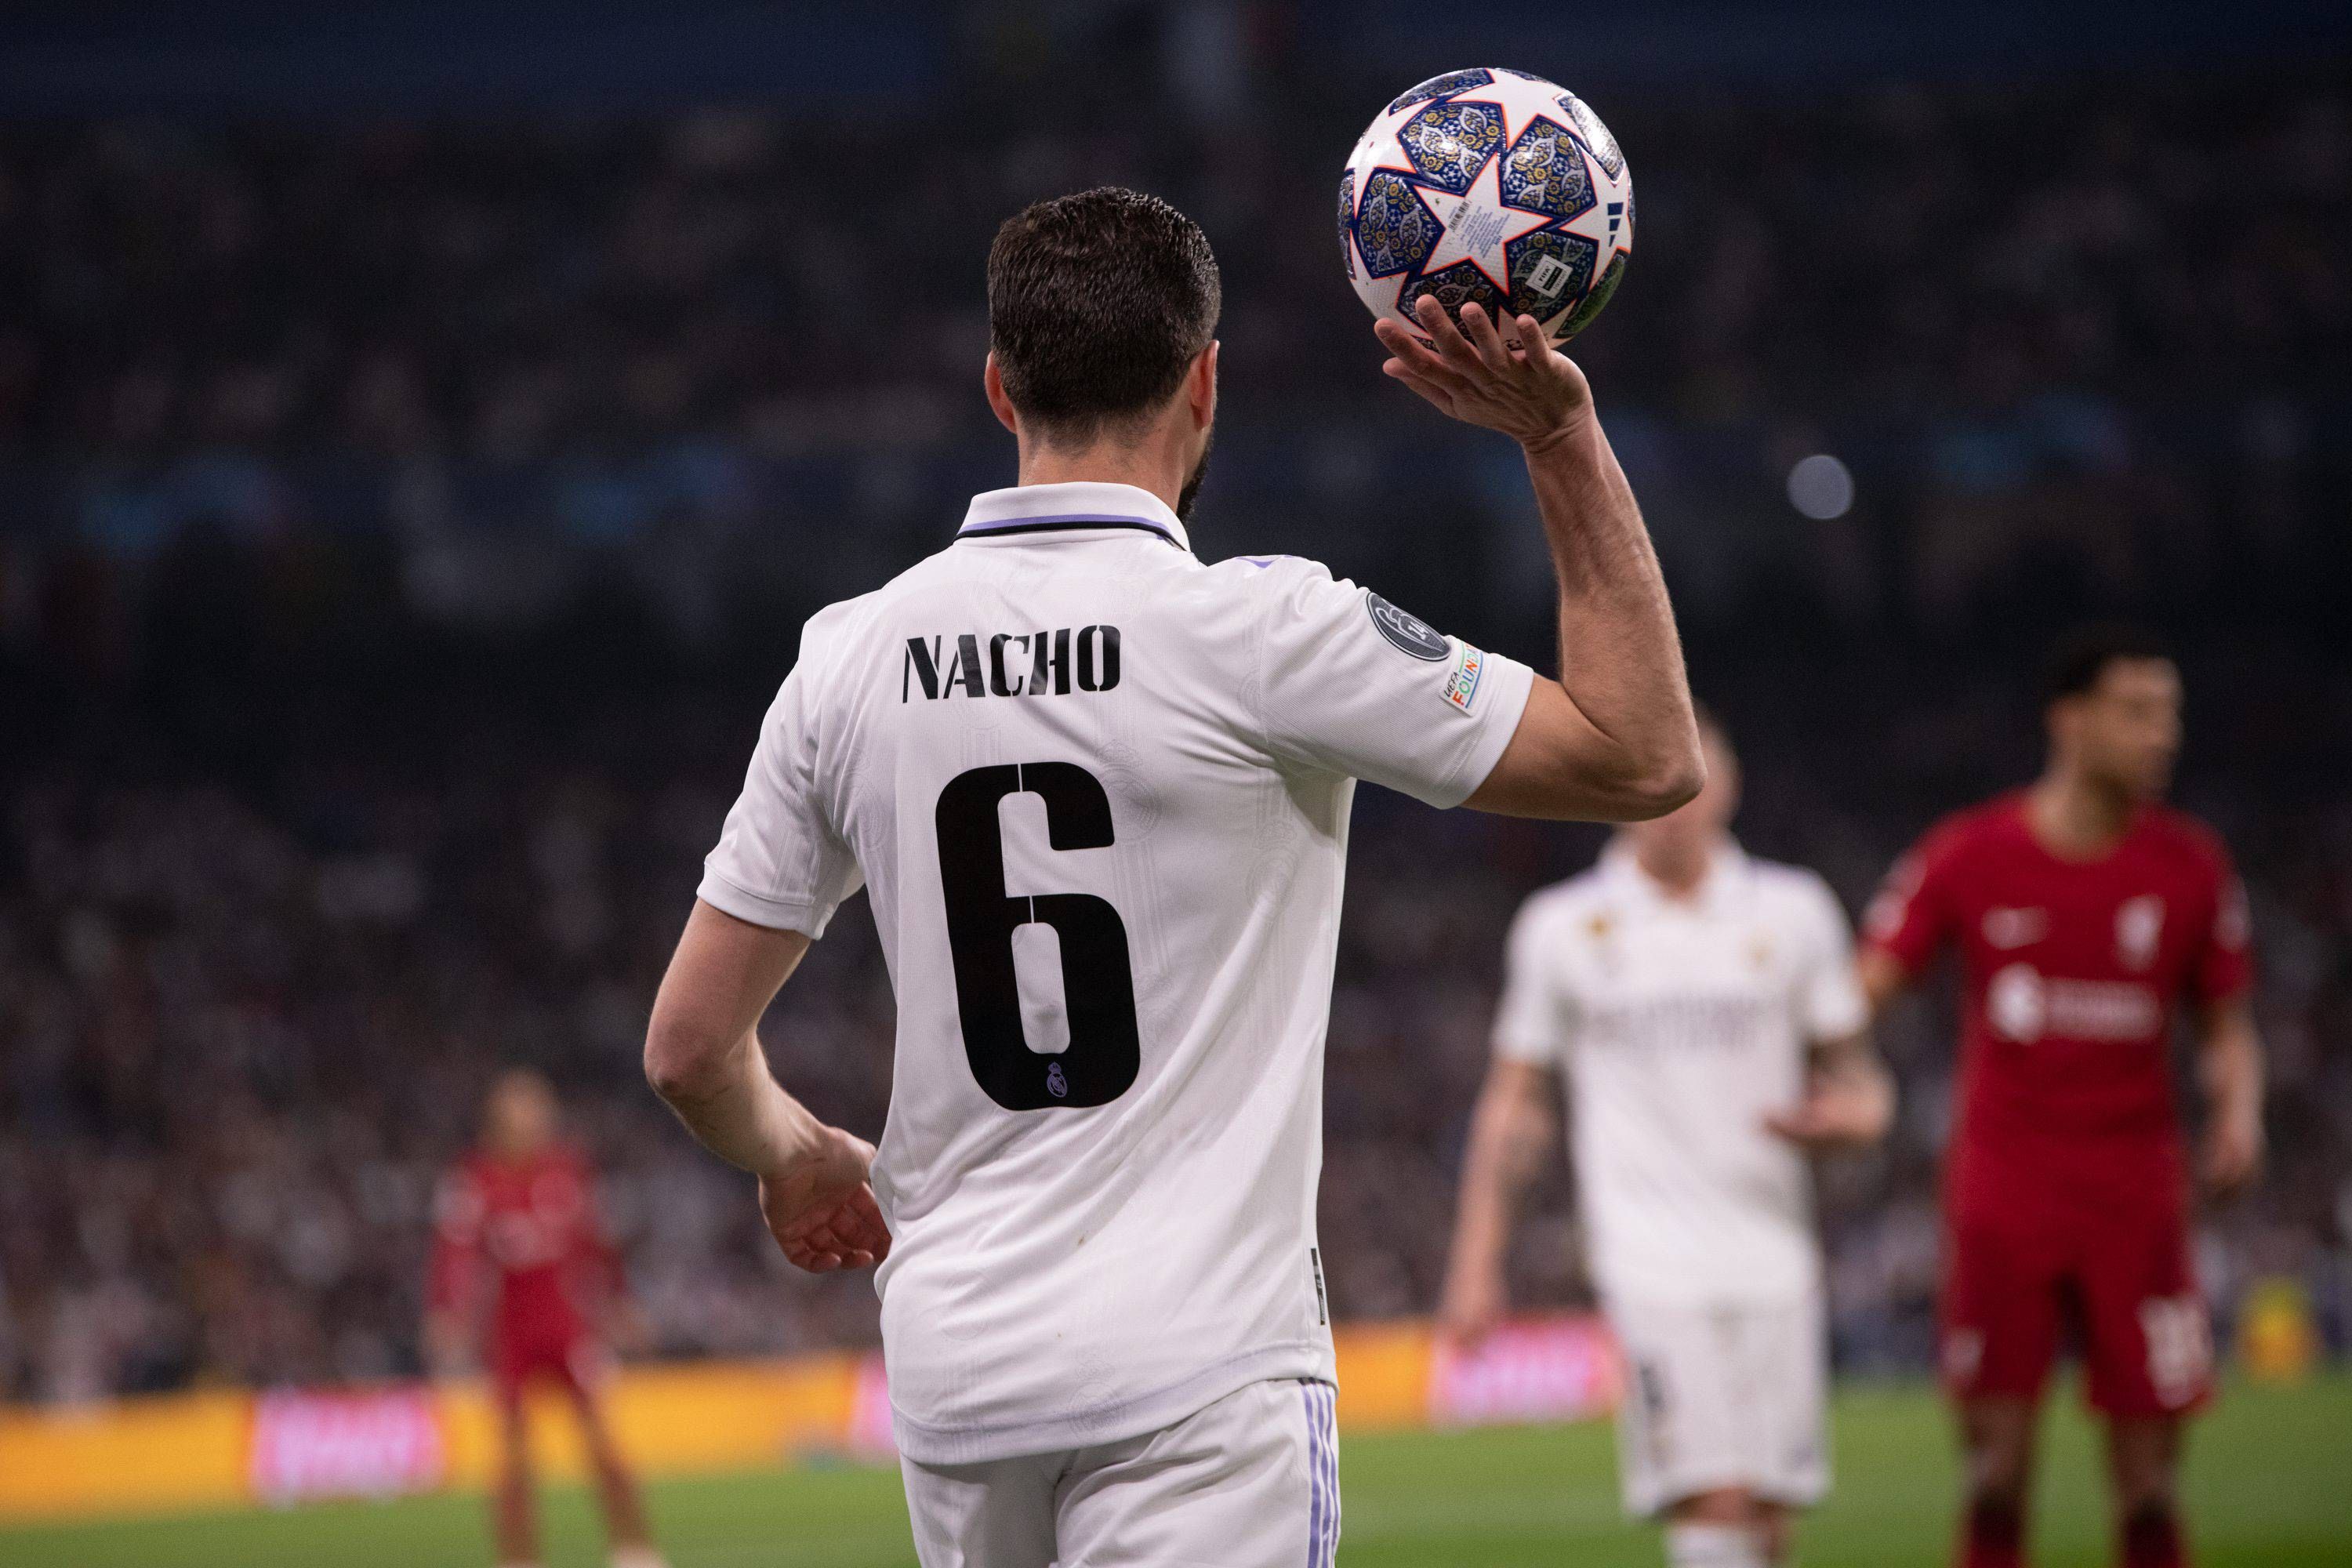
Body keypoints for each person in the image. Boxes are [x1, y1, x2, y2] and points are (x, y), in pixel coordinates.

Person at [642, 185, 1701, 1567]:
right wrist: (1558, 434)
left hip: (962, 1385)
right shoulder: (1262, 631)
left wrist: (793, 1157)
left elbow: (687, 1048)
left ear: (996, 387)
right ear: (1206, 385)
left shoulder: (848, 655)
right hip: (1200, 1374)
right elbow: (1642, 753)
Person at [1438, 713, 1892, 1568]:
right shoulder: (1563, 927)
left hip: (1774, 1252)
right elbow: (1516, 1102)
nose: (1674, 798)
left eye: (1692, 774)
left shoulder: (1794, 912)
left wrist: (1853, 1118)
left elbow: (1862, 1079)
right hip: (1648, 1253)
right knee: (1709, 1491)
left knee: (1764, 1508)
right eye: (1656, 772)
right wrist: (1476, 1261)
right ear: (1621, 787)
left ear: (1728, 785)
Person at [1858, 626, 2263, 1568]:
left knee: (2153, 1486)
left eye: (2171, 714)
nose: (2162, 735)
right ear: (2070, 720)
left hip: (2140, 1195)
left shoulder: (2193, 866)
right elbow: (1866, 984)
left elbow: (2227, 1024)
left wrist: (2240, 1112)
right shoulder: (1970, 853)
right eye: (2137, 712)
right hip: (2006, 1195)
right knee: (1995, 1475)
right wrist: (1841, 1067)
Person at [426, 1069, 666, 1568]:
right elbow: (454, 1254)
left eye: (538, 1108)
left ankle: (635, 1549)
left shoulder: (568, 1169)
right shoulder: (475, 1180)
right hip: (509, 1334)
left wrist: (620, 1303)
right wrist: (447, 1314)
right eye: (522, 1109)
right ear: (499, 1119)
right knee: (513, 1457)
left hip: (566, 1327)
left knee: (601, 1442)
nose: (535, 1119)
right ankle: (519, 1559)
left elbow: (598, 1246)